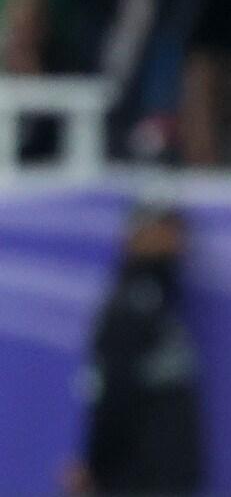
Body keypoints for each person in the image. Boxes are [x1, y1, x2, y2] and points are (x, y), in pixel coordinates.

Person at [69, 206, 203, 496]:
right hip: (137, 475)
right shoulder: (131, 305)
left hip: (160, 474)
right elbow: (115, 392)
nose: (174, 239)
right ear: (134, 236)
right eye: (160, 228)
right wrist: (96, 466)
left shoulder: (160, 297)